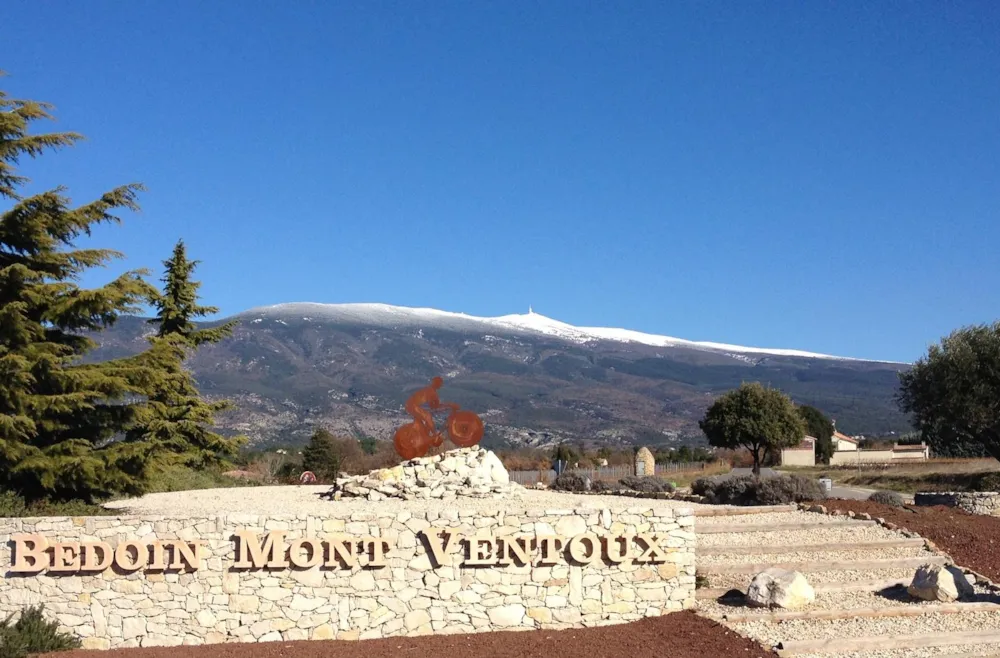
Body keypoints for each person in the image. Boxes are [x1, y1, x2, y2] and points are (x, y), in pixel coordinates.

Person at [404, 376, 446, 446]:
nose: (440, 385)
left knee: (422, 420)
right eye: (439, 384)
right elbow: (435, 406)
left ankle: (422, 438)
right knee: (427, 416)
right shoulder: (431, 391)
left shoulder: (431, 390)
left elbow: (434, 405)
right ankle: (435, 436)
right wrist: (449, 406)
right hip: (412, 405)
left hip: (411, 405)